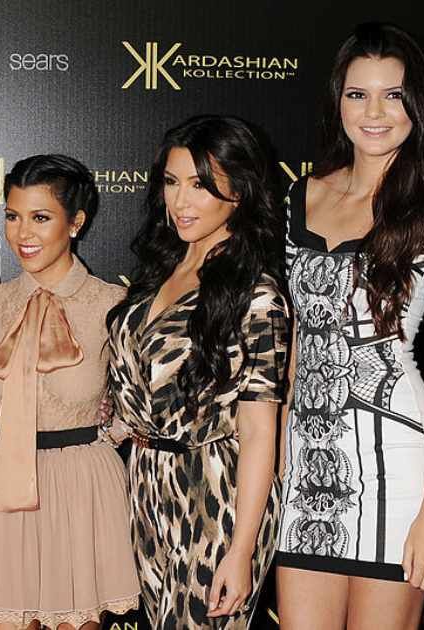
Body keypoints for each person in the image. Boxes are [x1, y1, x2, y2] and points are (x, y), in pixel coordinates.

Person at [275, 23, 424, 630]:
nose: (374, 113)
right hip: (305, 466)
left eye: (393, 95)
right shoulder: (299, 198)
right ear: (337, 102)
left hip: (399, 465)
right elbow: (294, 345)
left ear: (418, 105)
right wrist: (282, 455)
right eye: (358, 94)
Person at [0, 154, 141, 630]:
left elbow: (144, 400)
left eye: (40, 218)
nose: (22, 234)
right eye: (13, 216)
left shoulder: (111, 304)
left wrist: (108, 435)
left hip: (79, 489)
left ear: (76, 222)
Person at [105, 115, 287, 629]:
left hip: (214, 493)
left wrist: (241, 549)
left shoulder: (257, 294)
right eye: (172, 182)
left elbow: (259, 432)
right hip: (146, 484)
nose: (180, 201)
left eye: (201, 186)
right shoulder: (160, 269)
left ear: (239, 192)